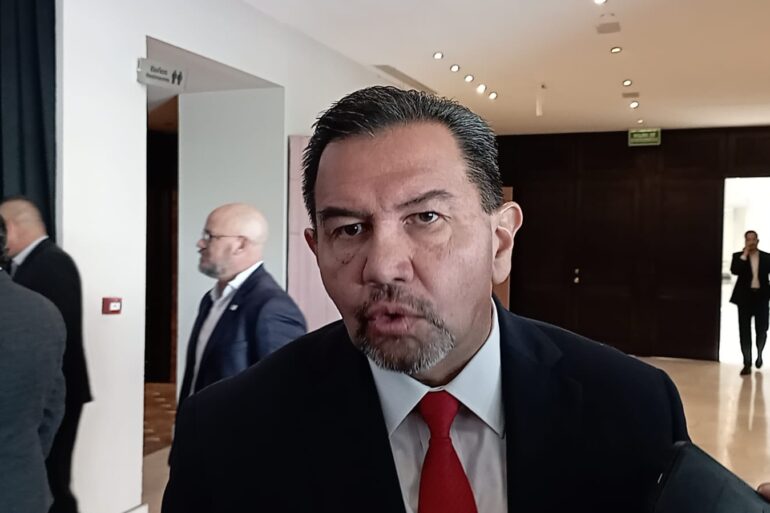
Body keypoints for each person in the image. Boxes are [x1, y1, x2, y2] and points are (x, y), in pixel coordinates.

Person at [162, 87, 770, 512]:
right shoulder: (228, 434)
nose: (383, 265)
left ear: (500, 241)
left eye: (426, 217)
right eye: (349, 229)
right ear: (316, 249)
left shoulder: (631, 403)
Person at [0, 197, 89, 513]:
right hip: (22, 482)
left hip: (40, 400)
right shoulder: (40, 307)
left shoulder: (52, 264)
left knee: (60, 484)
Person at [178, 203, 306, 404]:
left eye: (209, 236)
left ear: (240, 245)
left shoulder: (272, 307)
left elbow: (285, 396)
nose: (200, 243)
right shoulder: (211, 299)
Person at [730, 230, 770, 375]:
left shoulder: (766, 257)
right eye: (748, 239)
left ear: (758, 241)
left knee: (762, 329)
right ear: (745, 241)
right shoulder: (738, 256)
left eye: (753, 239)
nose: (751, 242)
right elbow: (735, 270)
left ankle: (759, 354)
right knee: (744, 331)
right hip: (744, 299)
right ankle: (747, 362)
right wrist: (745, 254)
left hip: (761, 298)